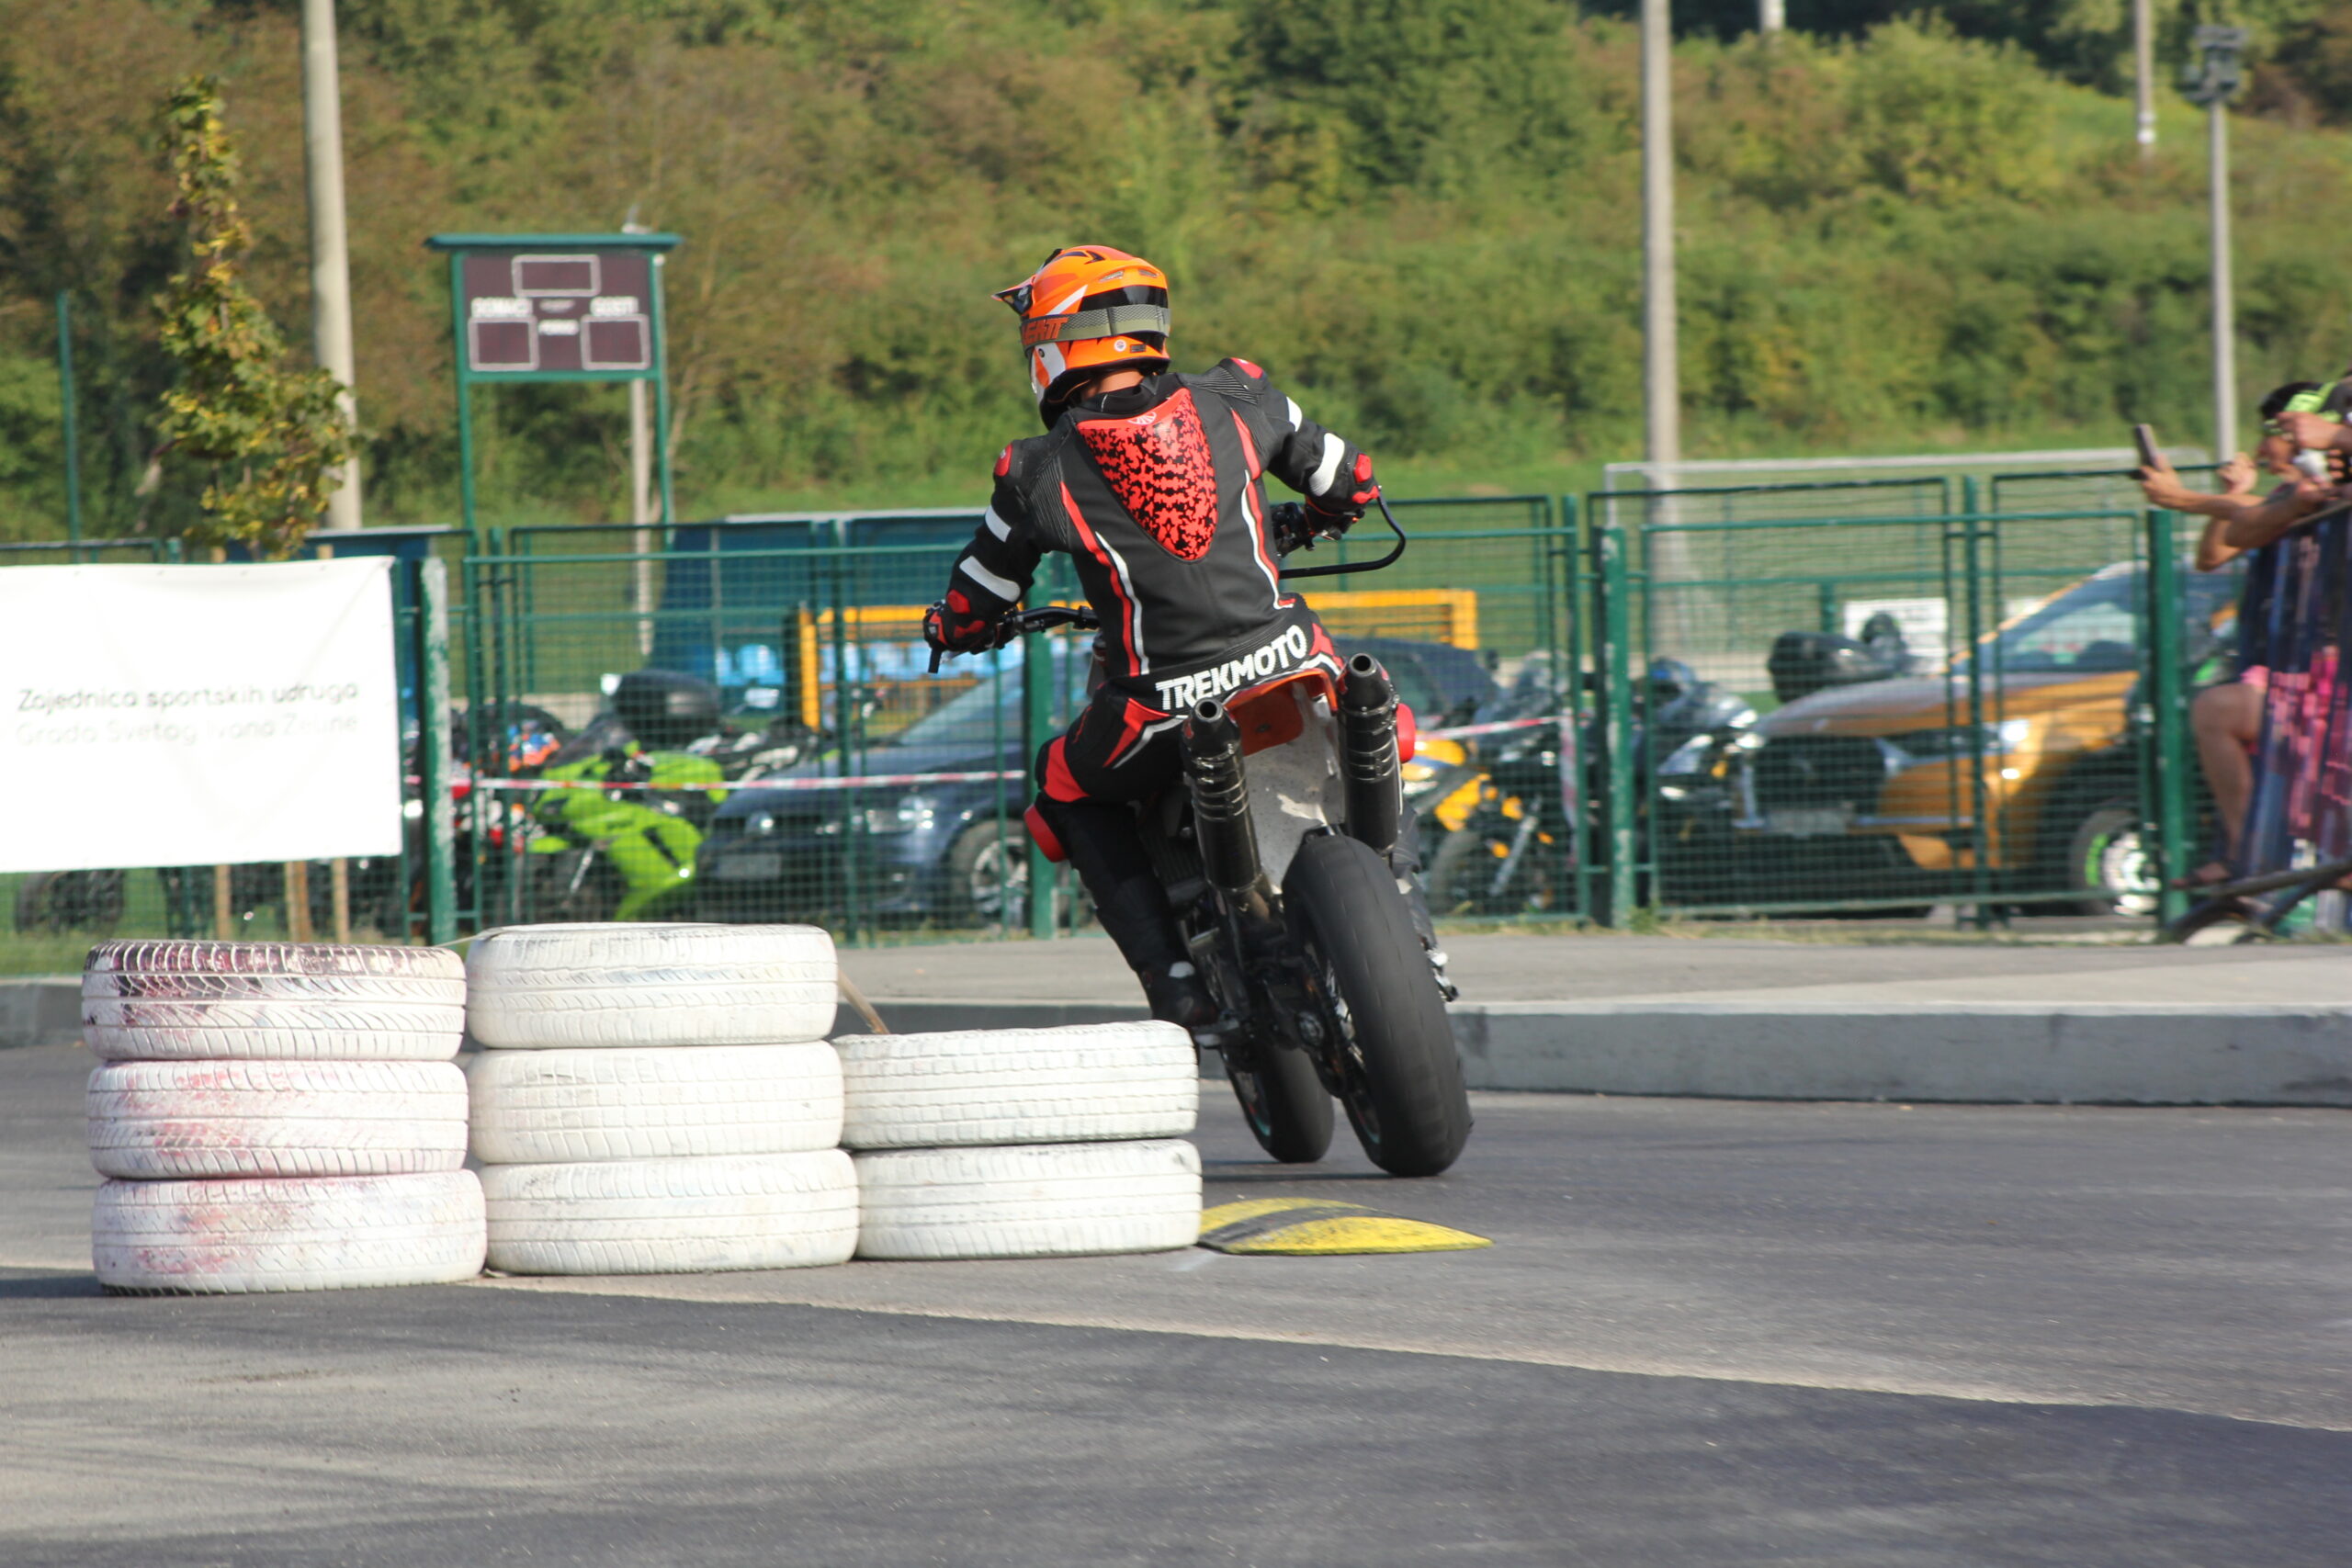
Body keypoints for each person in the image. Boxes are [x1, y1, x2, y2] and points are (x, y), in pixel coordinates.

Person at [922, 245, 1385, 1030]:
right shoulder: (1240, 392)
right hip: (1291, 656)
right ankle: (1403, 899)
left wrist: (954, 625)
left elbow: (979, 592)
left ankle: (1173, 982)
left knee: (1062, 784)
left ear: (1056, 345)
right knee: (1376, 711)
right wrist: (1323, 514)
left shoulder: (1036, 470)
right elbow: (1349, 476)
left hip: (1160, 705)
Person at [2136, 381, 2340, 882]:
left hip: (2326, 672)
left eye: (2270, 432)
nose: (2260, 447)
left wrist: (2186, 498)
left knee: (2219, 712)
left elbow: (2288, 510)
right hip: (2291, 667)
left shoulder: (2325, 492)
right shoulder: (2284, 496)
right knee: (2225, 718)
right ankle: (2249, 855)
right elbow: (2215, 553)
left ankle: (2253, 855)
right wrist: (2226, 498)